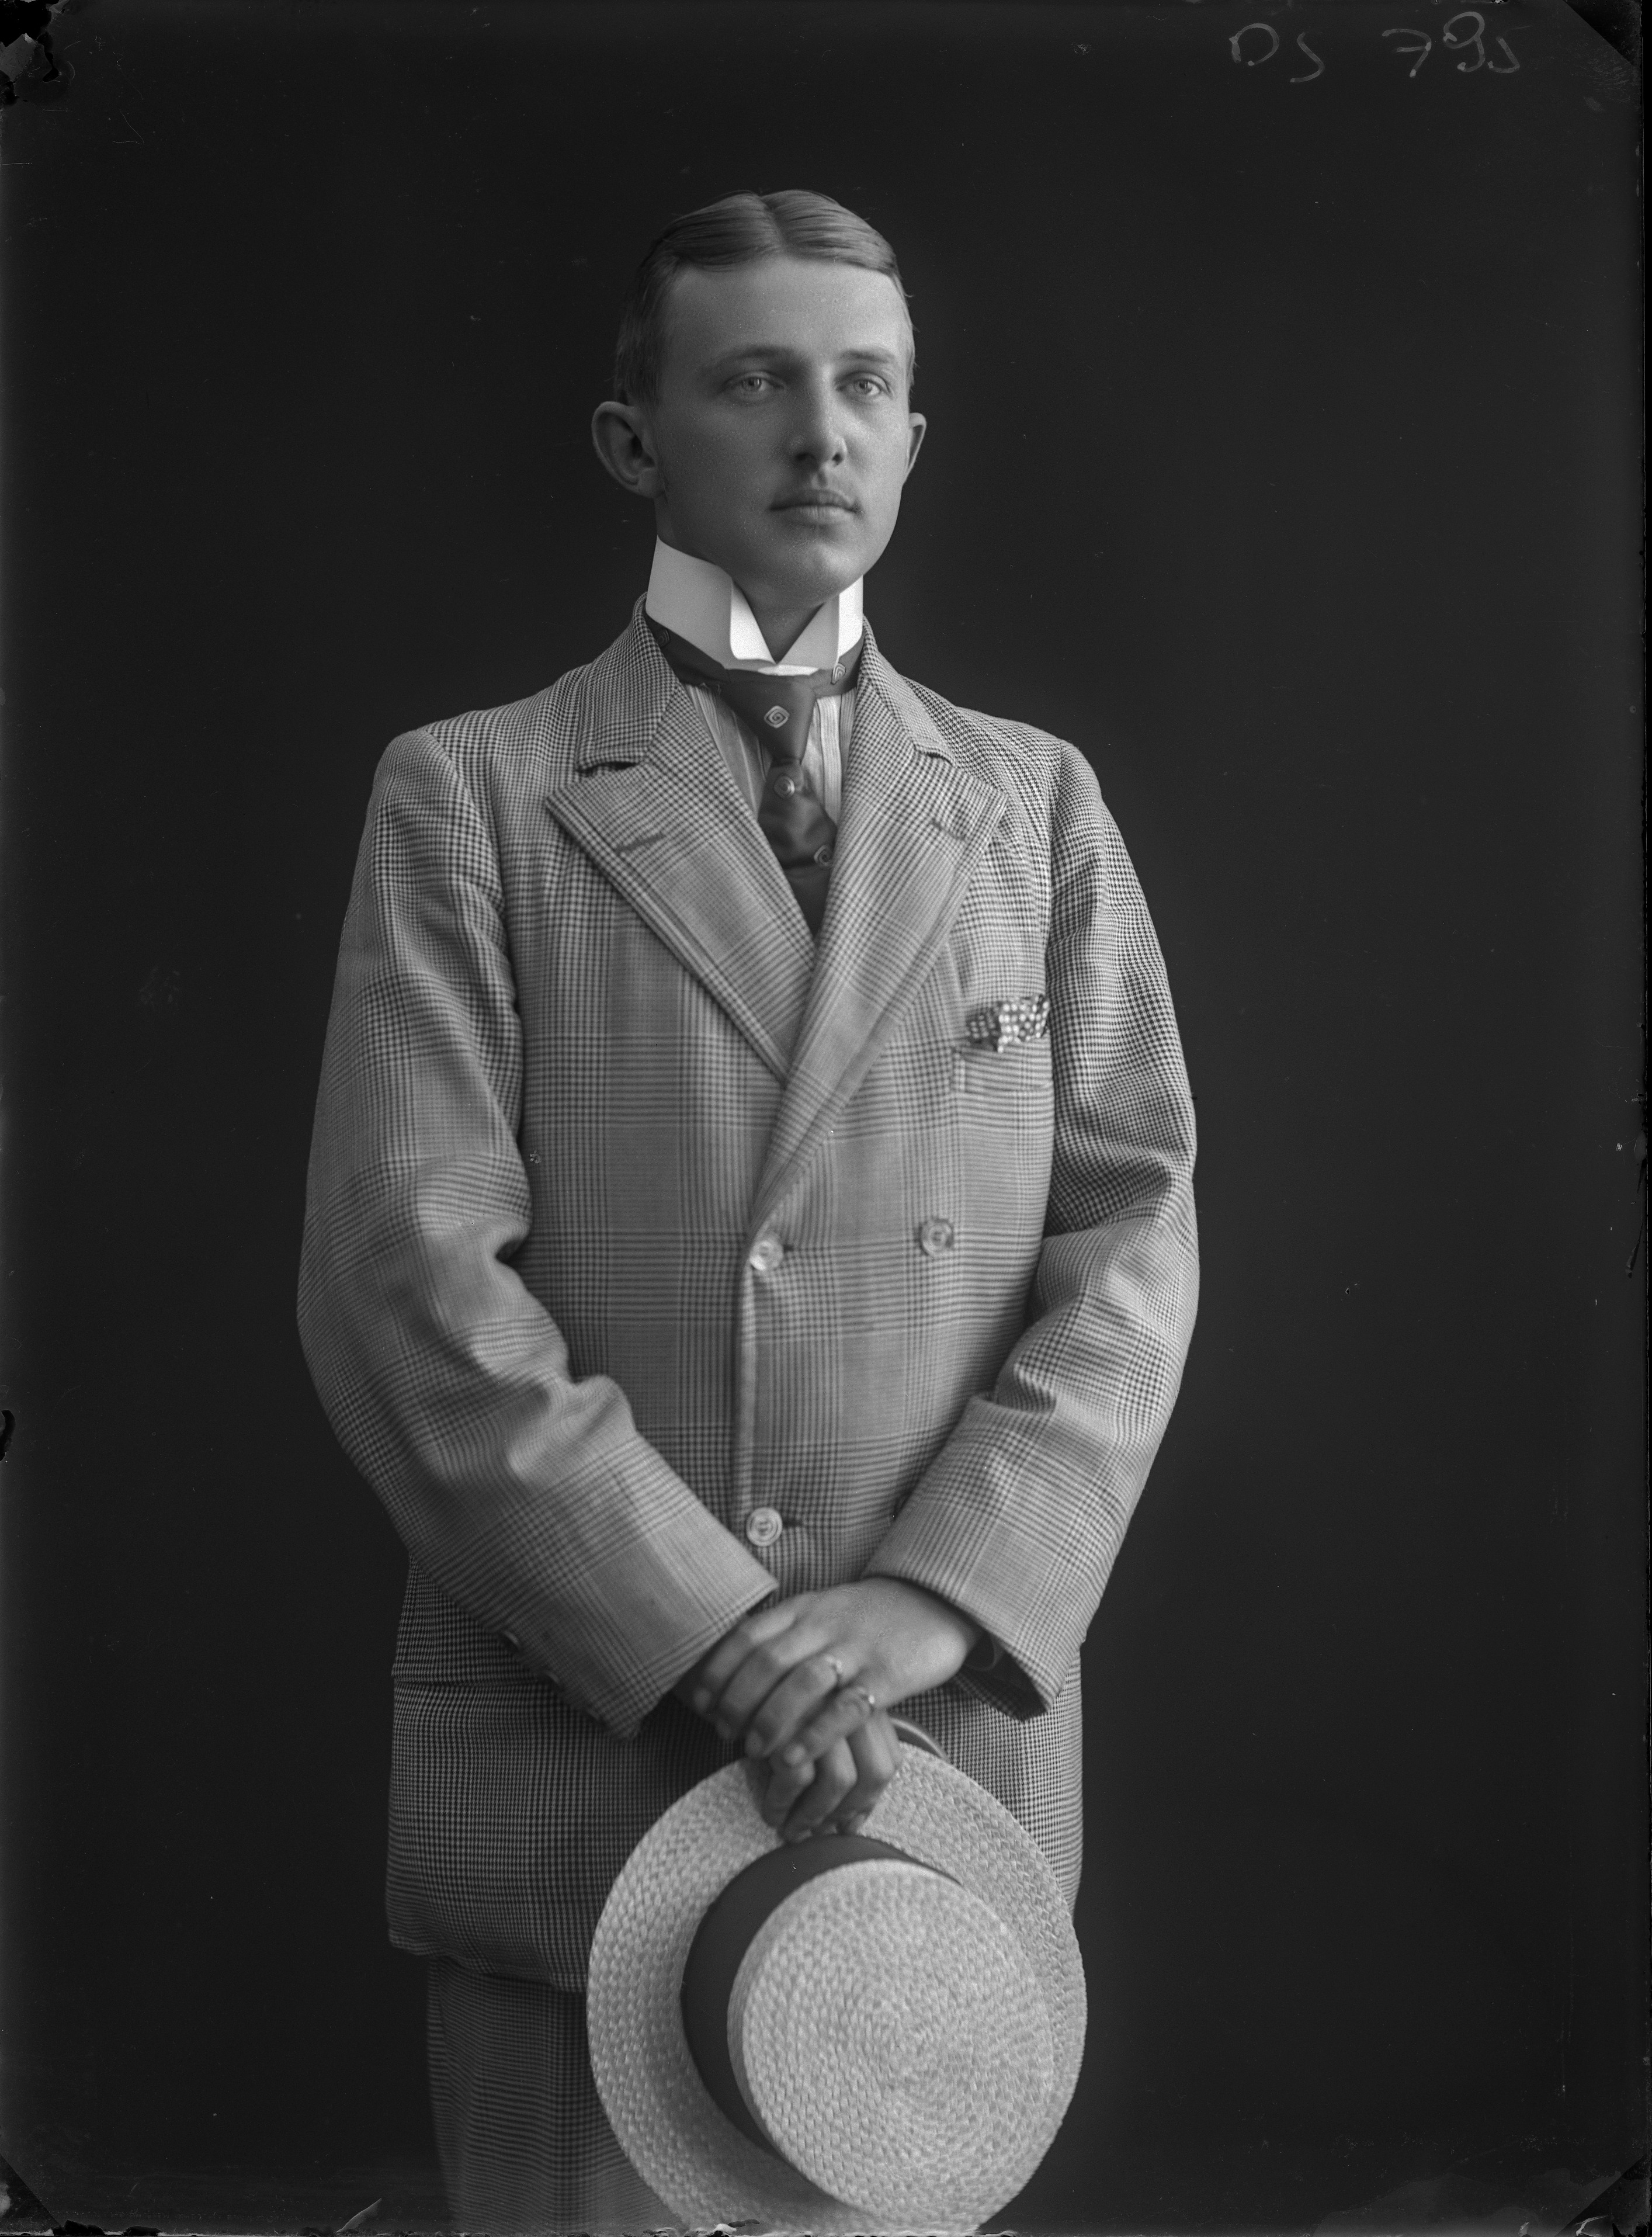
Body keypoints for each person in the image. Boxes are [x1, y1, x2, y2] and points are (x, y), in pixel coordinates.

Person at [297, 187, 1199, 2233]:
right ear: (635, 440)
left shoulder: (1033, 804)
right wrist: (720, 1640)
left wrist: (937, 1603)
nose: (820, 435)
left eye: (865, 387)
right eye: (756, 383)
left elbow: (1132, 1247)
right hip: (595, 1743)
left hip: (929, 1769)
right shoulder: (475, 793)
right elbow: (405, 1286)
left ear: (914, 437)